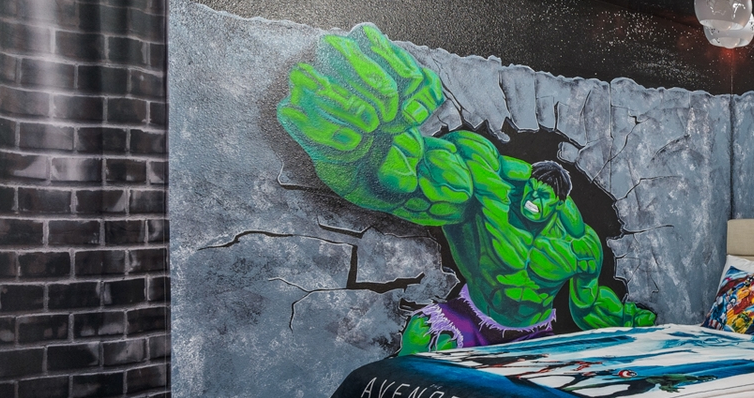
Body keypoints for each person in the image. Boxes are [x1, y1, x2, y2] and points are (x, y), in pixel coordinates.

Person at [277, 23, 656, 354]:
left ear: (560, 204)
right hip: (467, 320)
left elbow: (588, 305)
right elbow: (416, 183)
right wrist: (366, 153)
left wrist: (627, 324)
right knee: (424, 346)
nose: (532, 199)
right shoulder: (490, 186)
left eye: (544, 197)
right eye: (531, 189)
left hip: (532, 336)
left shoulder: (580, 246)